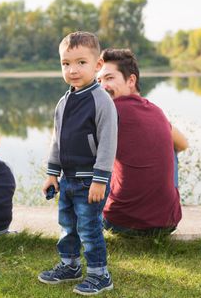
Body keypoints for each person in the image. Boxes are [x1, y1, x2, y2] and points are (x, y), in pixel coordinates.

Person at [38, 31, 117, 295]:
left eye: (81, 63)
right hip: (68, 179)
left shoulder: (101, 100)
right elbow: (56, 140)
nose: (72, 70)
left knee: (89, 226)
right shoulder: (63, 102)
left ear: (97, 66)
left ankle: (99, 273)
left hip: (91, 180)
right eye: (66, 63)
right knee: (67, 224)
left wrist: (100, 179)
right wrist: (52, 174)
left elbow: (107, 143)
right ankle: (70, 265)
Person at [97, 48, 188, 236]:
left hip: (119, 223)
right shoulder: (156, 111)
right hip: (167, 223)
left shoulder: (107, 111)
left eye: (109, 78)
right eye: (98, 81)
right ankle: (156, 207)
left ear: (131, 80)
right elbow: (183, 144)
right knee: (171, 149)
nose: (102, 86)